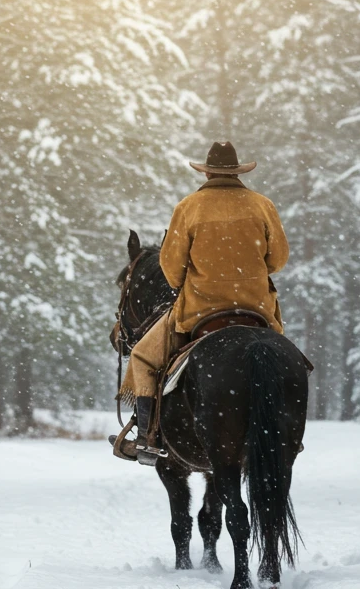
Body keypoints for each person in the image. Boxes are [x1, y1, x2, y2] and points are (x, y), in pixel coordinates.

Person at [114, 141, 289, 464]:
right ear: (237, 172)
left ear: (207, 171)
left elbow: (171, 269)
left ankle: (147, 437)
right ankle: (283, 428)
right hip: (257, 309)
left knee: (143, 358)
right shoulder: (262, 205)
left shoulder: (189, 207)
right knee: (283, 357)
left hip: (200, 311)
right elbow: (278, 260)